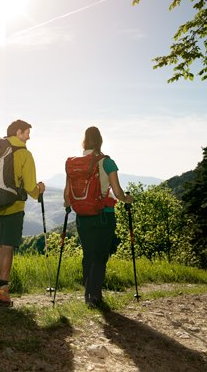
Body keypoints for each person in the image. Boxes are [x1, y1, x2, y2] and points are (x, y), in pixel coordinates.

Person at [0, 119, 46, 306]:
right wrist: (39, 190)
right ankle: (3, 293)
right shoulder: (24, 154)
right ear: (18, 132)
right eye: (27, 132)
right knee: (7, 248)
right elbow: (30, 186)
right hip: (14, 208)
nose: (29, 137)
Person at [64, 126, 133, 308]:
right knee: (100, 256)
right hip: (103, 214)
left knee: (88, 254)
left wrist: (70, 205)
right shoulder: (106, 162)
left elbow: (66, 195)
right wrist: (127, 199)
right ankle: (94, 297)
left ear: (84, 142)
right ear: (100, 141)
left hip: (82, 216)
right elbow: (117, 192)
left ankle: (88, 294)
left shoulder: (72, 163)